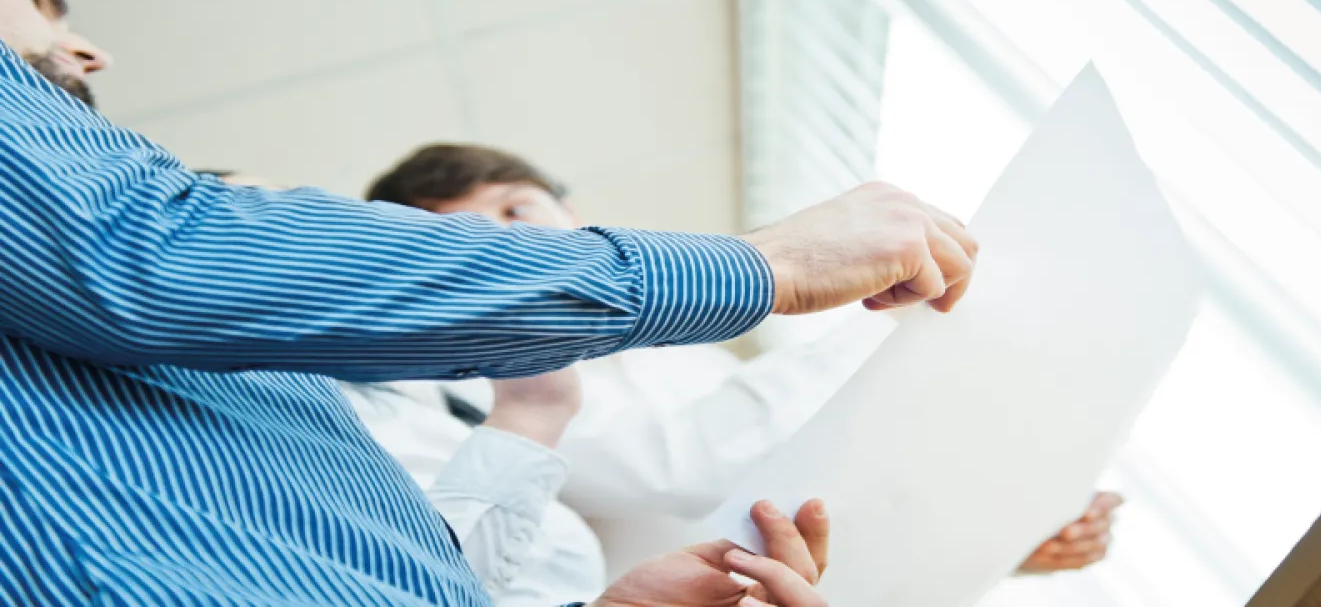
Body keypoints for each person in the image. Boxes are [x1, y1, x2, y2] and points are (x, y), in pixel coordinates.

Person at [0, 0, 977, 606]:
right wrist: (769, 264)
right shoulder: (368, 361)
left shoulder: (240, 392)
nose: (90, 50)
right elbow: (154, 255)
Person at [351, 144, 1124, 603]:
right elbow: (688, 467)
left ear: (568, 207)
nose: (500, 234)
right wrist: (879, 321)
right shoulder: (481, 386)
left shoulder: (681, 350)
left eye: (516, 208)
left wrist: (1004, 539)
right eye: (459, 231)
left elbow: (809, 498)